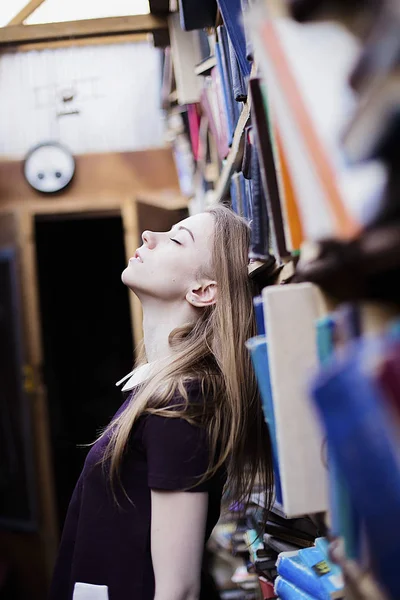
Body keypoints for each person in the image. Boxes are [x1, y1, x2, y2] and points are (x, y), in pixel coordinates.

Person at [49, 205, 274, 600]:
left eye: (175, 238)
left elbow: (178, 589)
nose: (147, 236)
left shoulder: (184, 399)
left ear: (204, 290)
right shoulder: (158, 386)